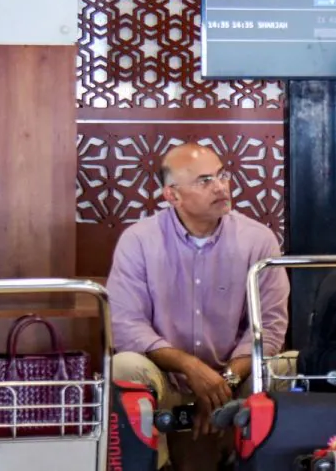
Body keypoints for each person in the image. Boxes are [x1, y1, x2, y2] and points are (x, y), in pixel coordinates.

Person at [107, 143, 293, 471]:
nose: (221, 186)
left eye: (222, 175)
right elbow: (126, 325)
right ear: (172, 196)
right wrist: (192, 369)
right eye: (205, 180)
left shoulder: (258, 239)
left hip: (236, 376)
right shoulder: (139, 240)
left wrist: (224, 382)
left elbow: (269, 326)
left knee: (287, 368)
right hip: (167, 379)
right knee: (123, 366)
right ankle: (154, 464)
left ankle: (258, 461)